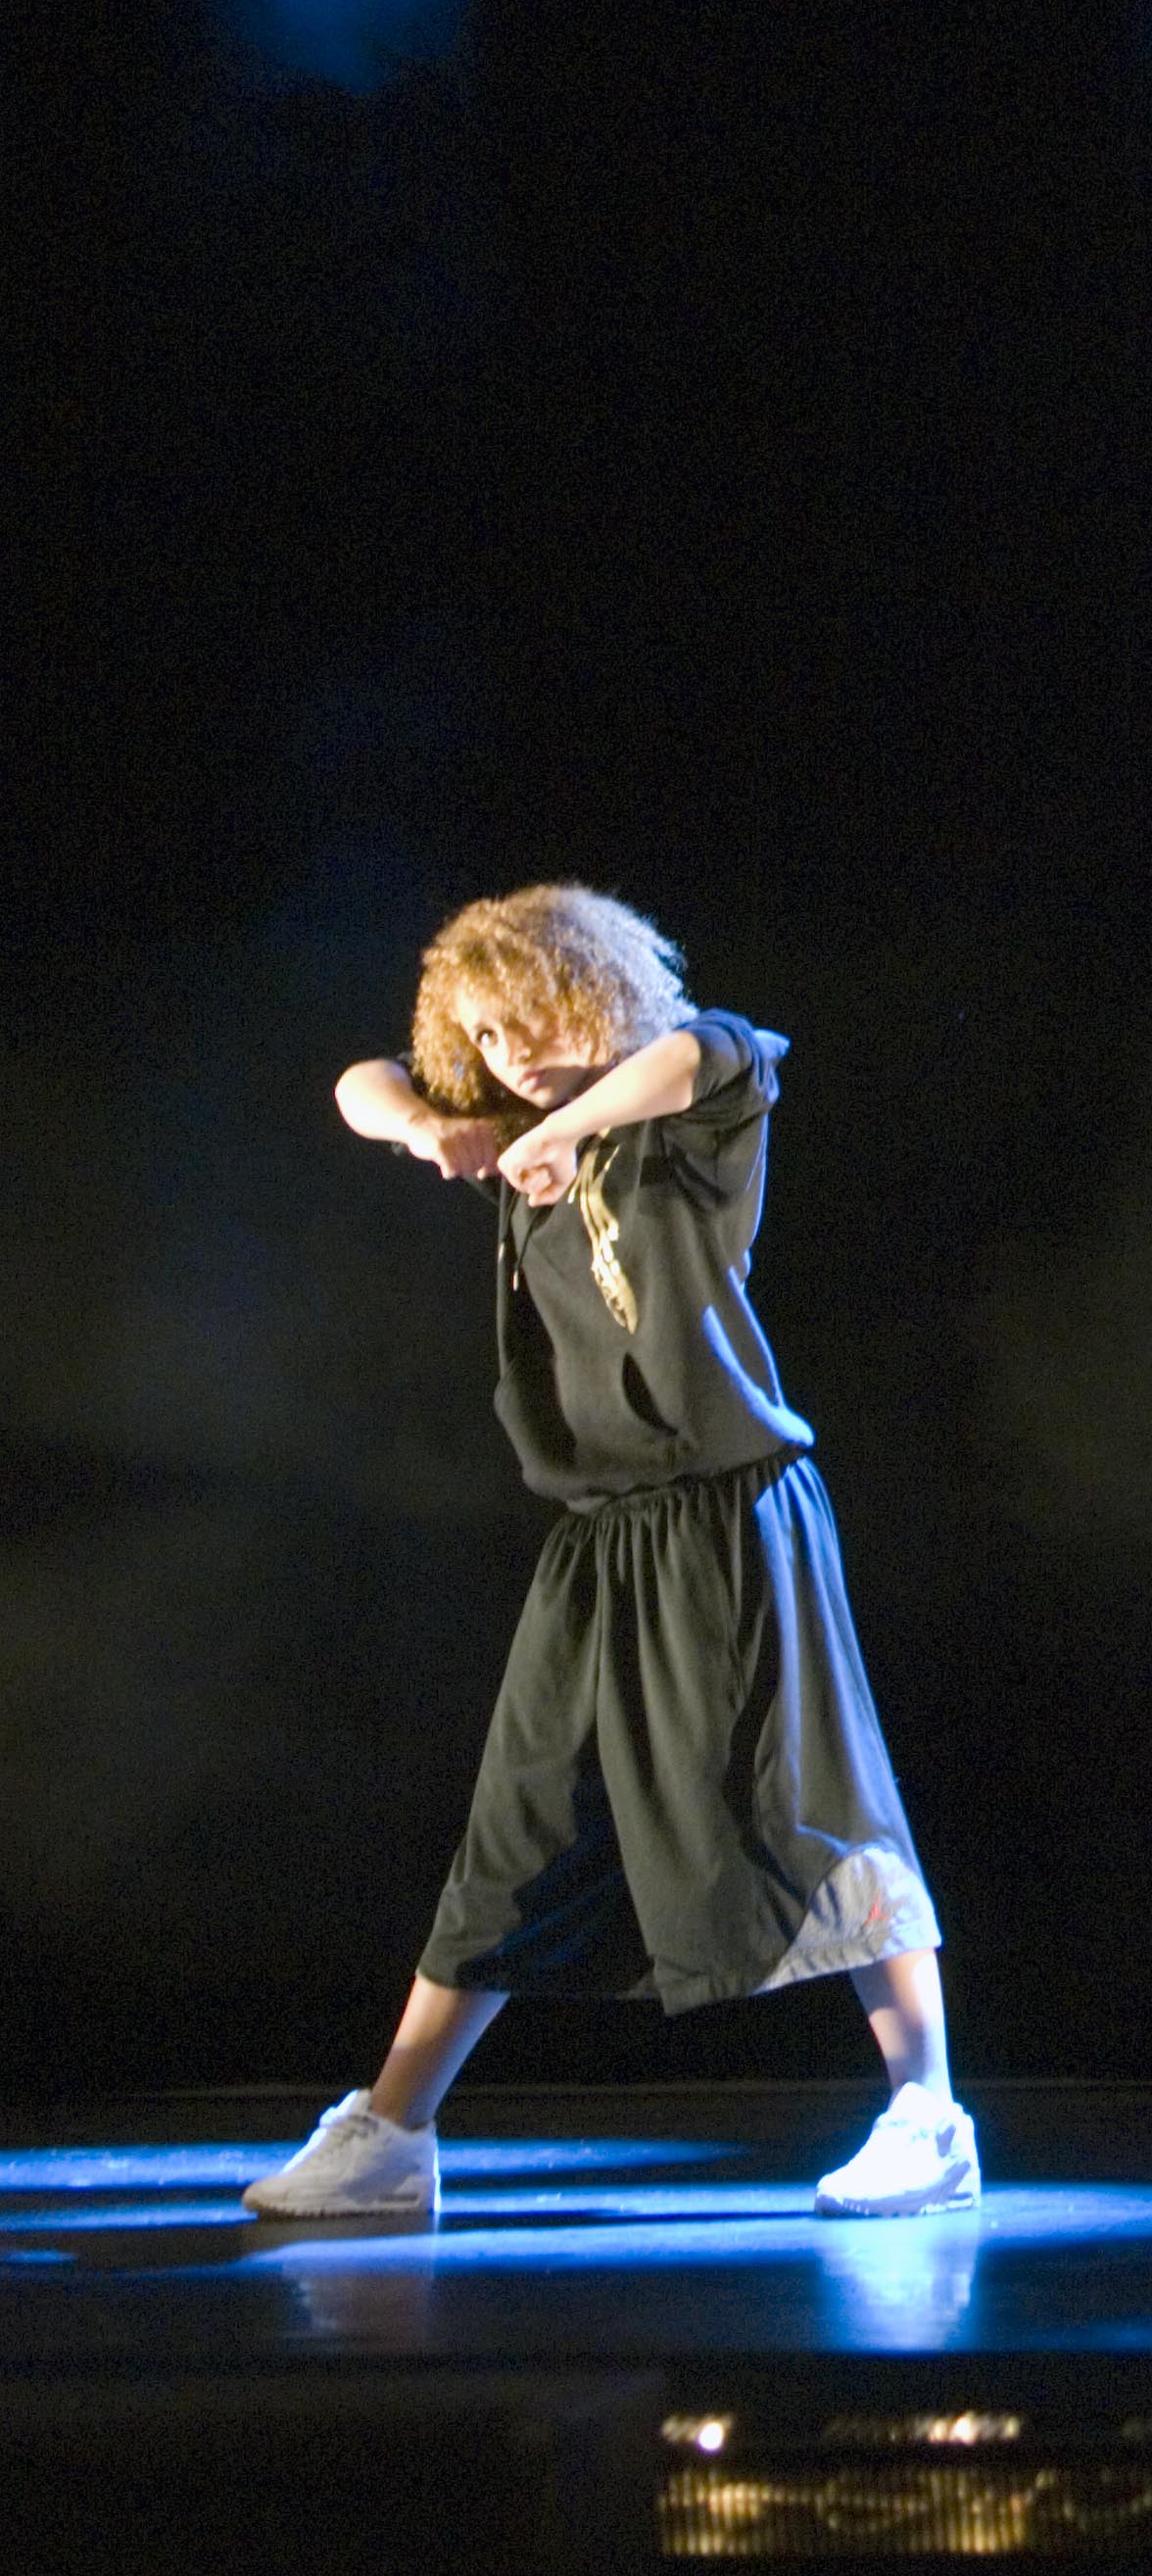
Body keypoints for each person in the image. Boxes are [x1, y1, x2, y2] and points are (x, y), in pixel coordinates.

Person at [244, 885, 975, 2222]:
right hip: (600, 1534)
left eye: (527, 1017)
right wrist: (437, 1127)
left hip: (733, 1506)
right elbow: (360, 1084)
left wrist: (557, 1131)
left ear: (592, 990)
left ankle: (929, 2114)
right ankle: (393, 2131)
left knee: (811, 1801)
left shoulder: (694, 1102)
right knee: (519, 1819)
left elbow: (709, 1047)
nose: (508, 1051)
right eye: (483, 1032)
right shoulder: (510, 1126)